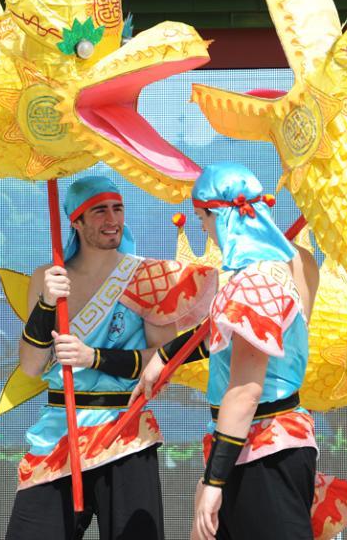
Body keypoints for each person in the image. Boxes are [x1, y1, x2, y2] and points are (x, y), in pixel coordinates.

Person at [5, 175, 217, 540]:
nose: (112, 219)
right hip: (59, 431)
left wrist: (95, 358)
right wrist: (45, 304)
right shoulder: (49, 276)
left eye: (117, 208)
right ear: (76, 220)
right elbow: (31, 365)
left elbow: (163, 359)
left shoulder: (146, 276)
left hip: (126, 431)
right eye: (99, 210)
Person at [134, 162, 322, 540]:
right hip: (268, 445)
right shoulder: (295, 263)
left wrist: (214, 481)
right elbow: (231, 340)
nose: (203, 228)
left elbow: (245, 391)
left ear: (217, 216)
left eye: (202, 219)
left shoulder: (253, 284)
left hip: (263, 453)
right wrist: (166, 357)